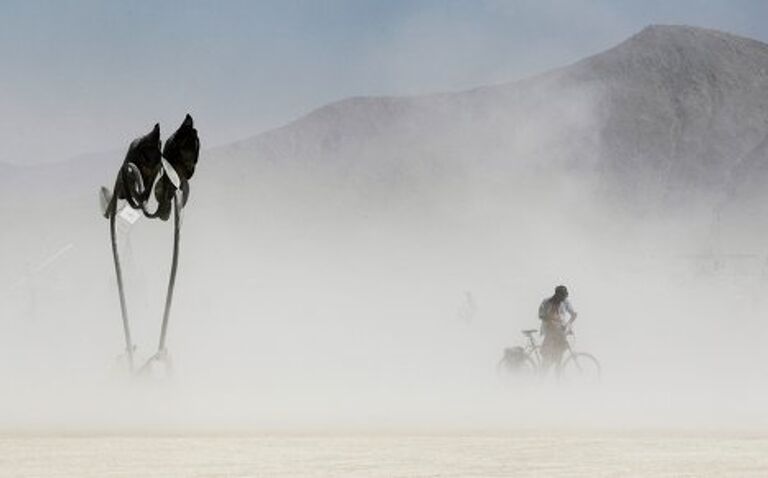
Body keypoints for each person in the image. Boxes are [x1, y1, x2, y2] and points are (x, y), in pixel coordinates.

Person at [538, 285, 578, 370]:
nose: (563, 298)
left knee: (559, 355)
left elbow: (574, 315)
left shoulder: (565, 302)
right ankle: (542, 375)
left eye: (565, 296)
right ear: (557, 294)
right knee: (547, 355)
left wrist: (567, 324)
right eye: (562, 296)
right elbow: (541, 315)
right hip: (550, 331)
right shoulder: (546, 302)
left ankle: (557, 377)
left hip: (560, 331)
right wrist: (550, 320)